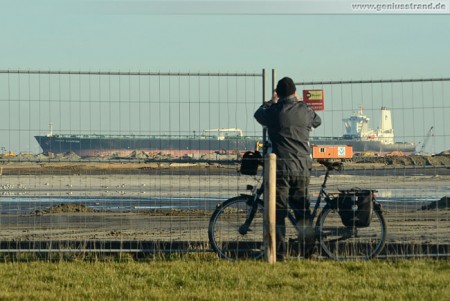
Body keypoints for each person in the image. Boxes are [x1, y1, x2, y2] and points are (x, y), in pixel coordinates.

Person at [254, 77, 322, 260]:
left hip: (280, 168)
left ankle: (279, 253)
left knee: (278, 212)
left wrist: (271, 101)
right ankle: (307, 252)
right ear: (294, 92)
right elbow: (318, 121)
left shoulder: (274, 111)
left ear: (278, 93)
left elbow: (258, 114)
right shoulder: (305, 110)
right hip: (302, 167)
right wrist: (299, 103)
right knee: (303, 212)